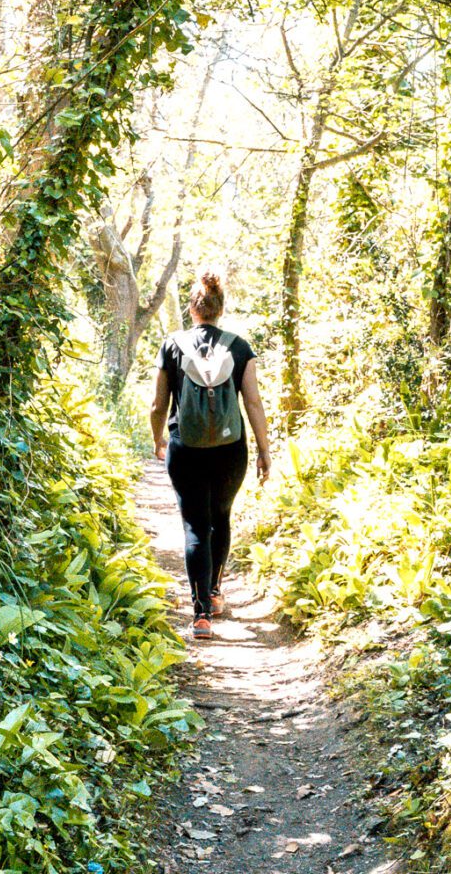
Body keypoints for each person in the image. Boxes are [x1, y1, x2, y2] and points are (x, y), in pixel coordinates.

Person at [150, 267, 271, 639]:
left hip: (185, 448)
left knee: (194, 527)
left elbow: (158, 404)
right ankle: (216, 592)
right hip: (229, 450)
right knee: (221, 517)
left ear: (192, 308)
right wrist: (265, 451)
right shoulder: (239, 346)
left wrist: (159, 440)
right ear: (220, 308)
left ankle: (200, 615)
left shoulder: (172, 345)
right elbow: (252, 402)